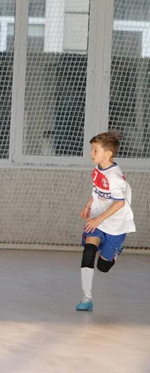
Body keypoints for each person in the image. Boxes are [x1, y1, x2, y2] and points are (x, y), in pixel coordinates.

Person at [77, 131, 135, 312]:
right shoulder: (98, 170)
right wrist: (88, 205)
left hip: (115, 224)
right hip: (98, 219)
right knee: (88, 252)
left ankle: (115, 252)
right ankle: (86, 298)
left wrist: (97, 219)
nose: (91, 153)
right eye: (91, 149)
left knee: (103, 266)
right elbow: (97, 190)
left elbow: (119, 203)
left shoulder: (114, 178)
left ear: (108, 154)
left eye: (95, 150)